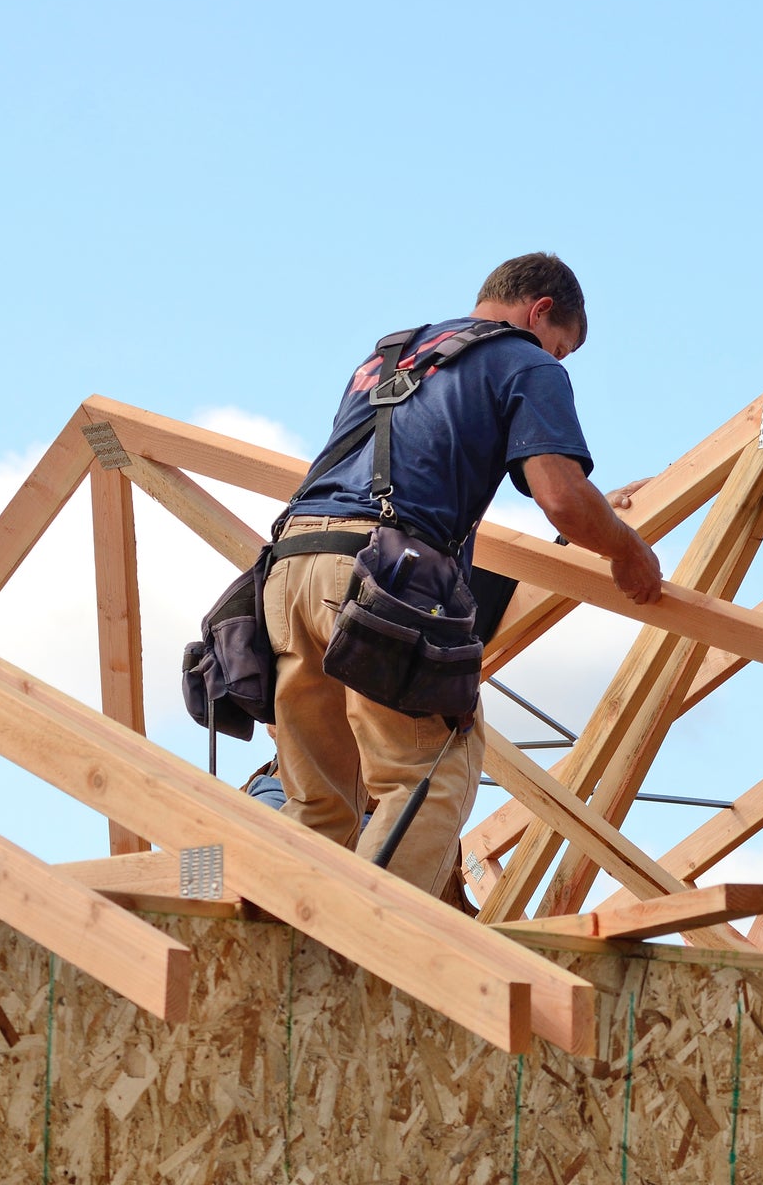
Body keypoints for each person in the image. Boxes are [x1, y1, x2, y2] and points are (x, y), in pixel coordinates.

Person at [264, 252, 662, 904]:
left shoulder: (390, 357)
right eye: (560, 349)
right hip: (382, 574)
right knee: (433, 771)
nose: (555, 363)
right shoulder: (525, 362)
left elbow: (412, 472)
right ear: (540, 311)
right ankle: (371, 946)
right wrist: (624, 550)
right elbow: (560, 495)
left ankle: (296, 948)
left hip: (292, 569)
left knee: (323, 800)